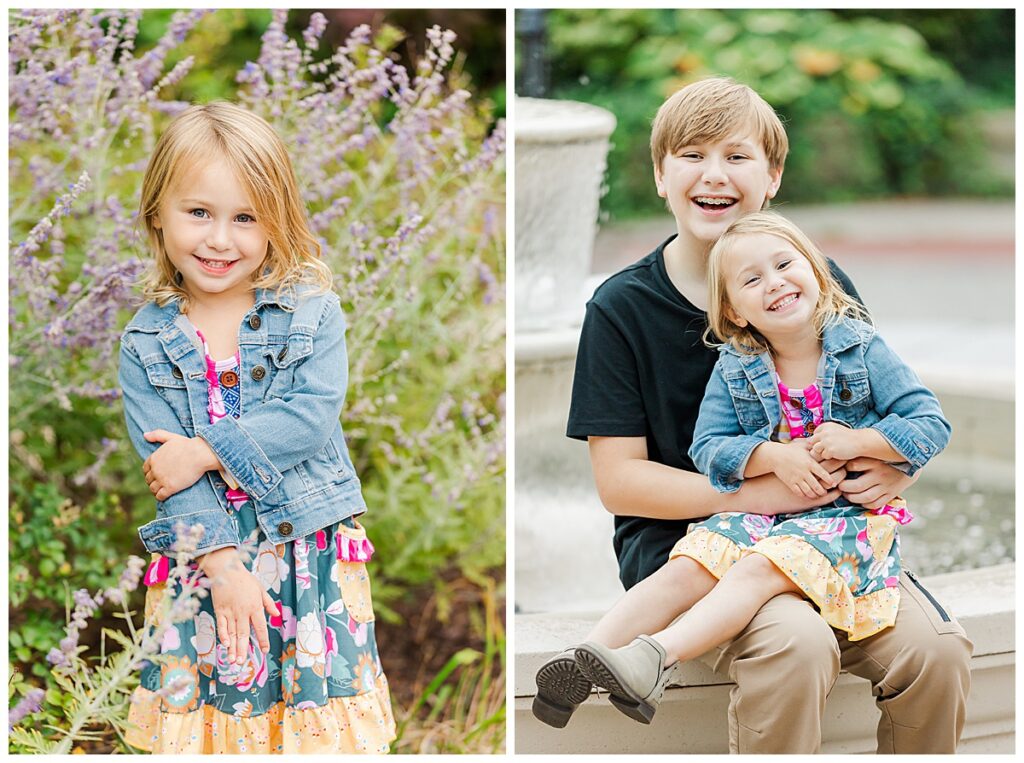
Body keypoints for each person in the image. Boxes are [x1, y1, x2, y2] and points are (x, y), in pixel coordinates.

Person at [533, 78, 973, 753]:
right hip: (694, 549)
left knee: (937, 651)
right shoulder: (618, 309)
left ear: (772, 177)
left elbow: (893, 415)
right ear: (659, 175)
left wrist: (894, 472)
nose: (714, 174)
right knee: (795, 643)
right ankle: (621, 653)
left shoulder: (816, 283)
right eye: (690, 155)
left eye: (737, 157)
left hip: (834, 529)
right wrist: (766, 486)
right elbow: (620, 482)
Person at [571, 209, 949, 724]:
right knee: (692, 561)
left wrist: (866, 444)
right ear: (735, 311)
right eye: (752, 280)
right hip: (763, 519)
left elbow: (929, 424)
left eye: (784, 265)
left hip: (840, 524)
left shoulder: (860, 347)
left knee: (755, 572)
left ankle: (653, 658)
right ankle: (583, 659)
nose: (774, 283)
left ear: (818, 273)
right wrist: (770, 455)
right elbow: (707, 446)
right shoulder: (737, 364)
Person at [118, 102, 395, 754]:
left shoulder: (310, 313)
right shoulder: (146, 343)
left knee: (310, 714)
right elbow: (166, 470)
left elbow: (307, 417)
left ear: (278, 220)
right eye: (199, 213)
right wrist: (222, 567)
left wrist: (207, 450)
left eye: (245, 217)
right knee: (218, 706)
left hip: (306, 552)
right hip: (206, 558)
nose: (220, 239)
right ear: (158, 212)